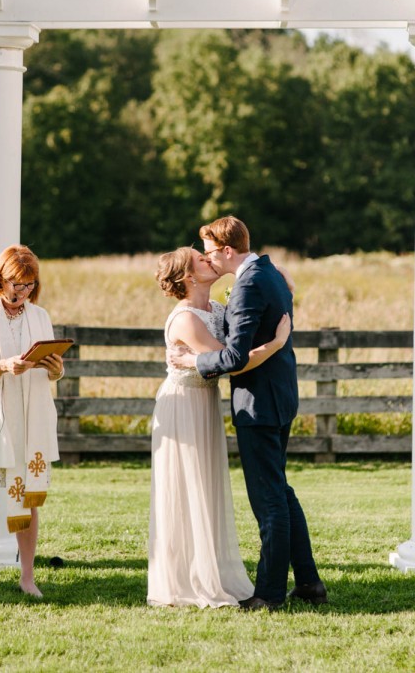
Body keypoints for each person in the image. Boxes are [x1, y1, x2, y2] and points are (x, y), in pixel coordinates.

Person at [182, 216, 327, 611]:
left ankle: (269, 593)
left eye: (211, 253)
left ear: (228, 251)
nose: (208, 260)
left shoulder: (248, 285)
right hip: (279, 396)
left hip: (259, 404)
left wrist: (194, 360)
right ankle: (310, 582)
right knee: (280, 490)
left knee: (268, 501)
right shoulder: (270, 272)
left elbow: (232, 357)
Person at [148, 246, 291, 608]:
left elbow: (246, 325)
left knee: (207, 486)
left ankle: (210, 568)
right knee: (187, 487)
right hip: (183, 405)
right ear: (189, 276)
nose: (209, 260)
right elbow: (232, 362)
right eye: (200, 259)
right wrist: (276, 344)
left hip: (205, 403)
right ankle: (185, 579)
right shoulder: (186, 319)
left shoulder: (215, 309)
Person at [0, 245, 65, 602]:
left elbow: (50, 365)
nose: (21, 292)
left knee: (29, 500)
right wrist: (1, 366)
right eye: (15, 284)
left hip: (31, 420)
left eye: (29, 285)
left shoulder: (40, 315)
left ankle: (28, 577)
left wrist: (56, 370)